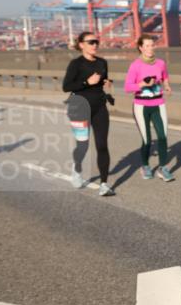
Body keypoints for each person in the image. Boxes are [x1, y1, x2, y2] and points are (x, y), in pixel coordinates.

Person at [62, 31, 114, 196]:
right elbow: (66, 86)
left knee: (102, 145)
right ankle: (77, 169)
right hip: (79, 109)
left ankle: (104, 184)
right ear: (81, 44)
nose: (95, 45)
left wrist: (106, 83)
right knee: (83, 145)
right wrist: (86, 82)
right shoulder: (76, 64)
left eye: (96, 42)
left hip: (99, 108)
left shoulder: (102, 62)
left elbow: (102, 80)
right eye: (91, 42)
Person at [124, 35, 174, 182]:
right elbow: (127, 87)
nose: (150, 48)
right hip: (141, 106)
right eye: (146, 45)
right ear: (141, 48)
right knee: (147, 140)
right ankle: (145, 165)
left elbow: (165, 76)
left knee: (163, 137)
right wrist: (142, 85)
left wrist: (167, 86)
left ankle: (163, 168)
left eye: (152, 45)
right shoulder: (135, 65)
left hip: (158, 104)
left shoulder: (160, 63)